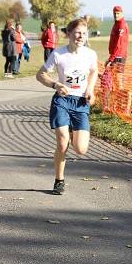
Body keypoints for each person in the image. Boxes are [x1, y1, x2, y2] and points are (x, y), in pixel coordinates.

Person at [36, 18, 98, 195]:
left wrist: (90, 90)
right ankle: (59, 180)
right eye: (77, 32)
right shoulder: (58, 54)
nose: (81, 36)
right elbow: (40, 75)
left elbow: (94, 72)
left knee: (80, 149)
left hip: (80, 103)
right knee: (63, 143)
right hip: (62, 101)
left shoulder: (90, 54)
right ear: (69, 33)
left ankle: (72, 130)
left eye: (84, 33)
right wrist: (56, 85)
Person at [105, 5, 129, 91]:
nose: (116, 15)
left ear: (122, 13)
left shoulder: (121, 25)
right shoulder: (116, 23)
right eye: (114, 14)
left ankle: (121, 101)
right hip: (115, 55)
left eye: (118, 13)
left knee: (118, 81)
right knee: (115, 80)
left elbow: (119, 44)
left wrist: (111, 59)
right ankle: (118, 100)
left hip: (119, 56)